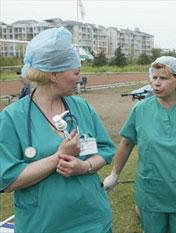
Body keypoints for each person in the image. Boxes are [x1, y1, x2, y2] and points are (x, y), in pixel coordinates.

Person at [0, 27, 116, 233]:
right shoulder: (12, 118)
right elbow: (7, 180)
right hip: (44, 224)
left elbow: (105, 150)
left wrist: (85, 167)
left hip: (93, 220)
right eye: (76, 72)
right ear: (54, 75)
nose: (80, 78)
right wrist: (58, 157)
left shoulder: (82, 107)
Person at [104, 56, 176, 233]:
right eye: (154, 77)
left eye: (163, 78)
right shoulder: (140, 110)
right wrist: (114, 174)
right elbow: (127, 143)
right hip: (151, 192)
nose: (156, 83)